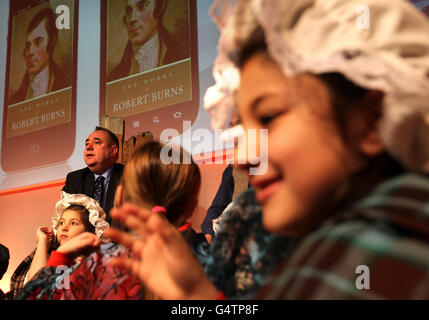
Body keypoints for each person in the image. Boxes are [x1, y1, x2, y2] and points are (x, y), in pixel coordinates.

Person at [104, 0, 429, 300]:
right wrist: (197, 297)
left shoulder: (364, 255)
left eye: (269, 117)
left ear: (372, 122)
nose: (244, 157)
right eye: (240, 129)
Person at [18, 141, 205, 300]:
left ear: (121, 197)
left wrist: (61, 257)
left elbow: (36, 295)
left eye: (73, 222)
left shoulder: (101, 265)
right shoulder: (217, 258)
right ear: (193, 205)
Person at [9, 192, 109, 299]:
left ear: (88, 230)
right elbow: (35, 286)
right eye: (61, 223)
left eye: (73, 223)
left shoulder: (93, 264)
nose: (64, 228)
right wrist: (42, 241)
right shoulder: (50, 256)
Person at [107, 0, 189, 82]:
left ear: (158, 8)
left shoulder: (183, 59)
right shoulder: (114, 78)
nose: (132, 19)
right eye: (129, 12)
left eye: (141, 7)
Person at [9, 7, 69, 105]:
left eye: (38, 41)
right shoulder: (15, 100)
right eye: (28, 45)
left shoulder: (65, 86)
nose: (30, 52)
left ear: (52, 42)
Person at [62, 126, 124, 221]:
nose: (88, 147)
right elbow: (64, 218)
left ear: (113, 150)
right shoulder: (74, 179)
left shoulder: (130, 176)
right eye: (87, 144)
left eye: (96, 143)